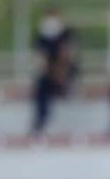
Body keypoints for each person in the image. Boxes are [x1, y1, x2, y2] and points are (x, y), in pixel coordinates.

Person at [31, 7, 79, 135]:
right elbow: (41, 60)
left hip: (67, 72)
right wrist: (52, 72)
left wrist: (61, 71)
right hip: (50, 75)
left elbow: (69, 55)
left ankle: (67, 91)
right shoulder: (41, 37)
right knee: (42, 87)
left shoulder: (67, 34)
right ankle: (41, 121)